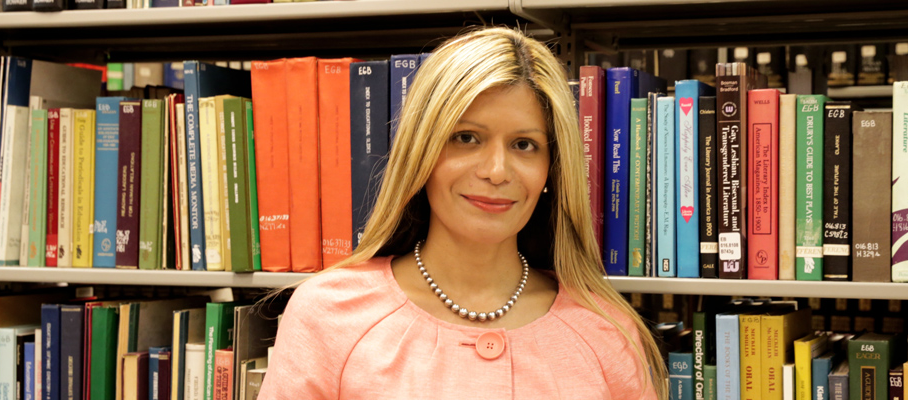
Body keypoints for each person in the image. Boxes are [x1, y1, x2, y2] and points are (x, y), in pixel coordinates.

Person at [258, 27, 666, 399]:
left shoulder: (606, 331)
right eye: (466, 138)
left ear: (551, 170)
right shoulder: (328, 316)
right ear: (422, 153)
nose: (495, 172)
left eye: (524, 145)